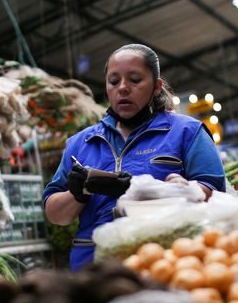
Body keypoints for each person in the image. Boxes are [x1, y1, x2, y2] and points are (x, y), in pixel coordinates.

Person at [43, 43, 225, 270]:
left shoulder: (187, 132)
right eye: (114, 81)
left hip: (164, 265)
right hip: (92, 270)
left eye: (135, 80)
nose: (123, 88)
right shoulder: (80, 143)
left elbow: (217, 197)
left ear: (157, 87)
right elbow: (55, 215)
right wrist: (77, 193)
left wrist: (181, 190)